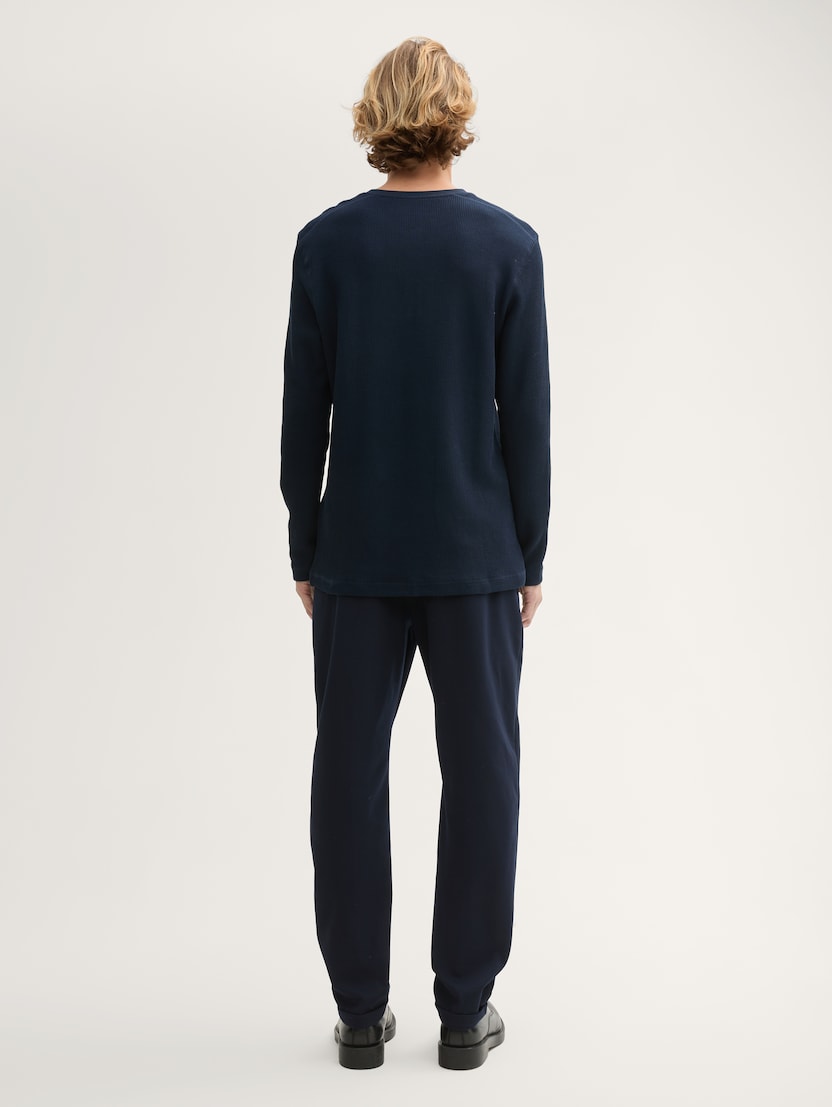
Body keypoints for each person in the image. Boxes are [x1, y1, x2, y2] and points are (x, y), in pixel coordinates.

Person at [280, 35, 550, 1070]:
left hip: (356, 553)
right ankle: (464, 1013)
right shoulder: (506, 245)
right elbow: (525, 415)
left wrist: (306, 544)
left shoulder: (327, 244)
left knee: (347, 776)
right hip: (475, 553)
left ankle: (359, 1012)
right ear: (457, 114)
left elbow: (304, 413)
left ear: (376, 113)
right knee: (482, 775)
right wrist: (529, 552)